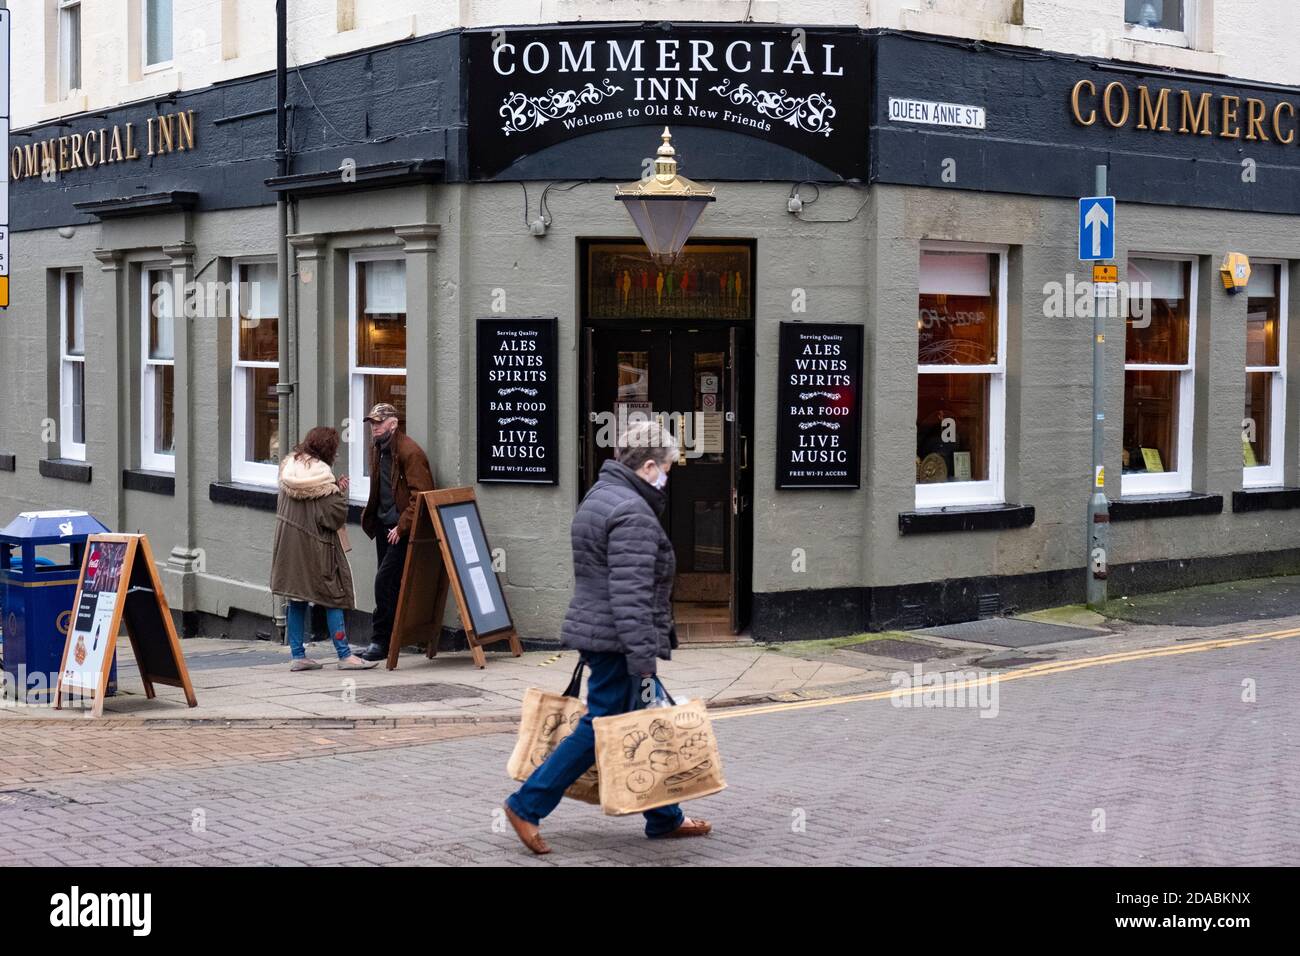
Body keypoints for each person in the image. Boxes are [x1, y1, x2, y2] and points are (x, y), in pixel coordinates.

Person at [504, 420, 711, 854]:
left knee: (641, 723)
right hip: (619, 640)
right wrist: (644, 658)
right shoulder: (633, 512)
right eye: (667, 468)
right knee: (600, 729)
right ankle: (527, 804)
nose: (668, 477)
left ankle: (664, 816)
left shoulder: (601, 496)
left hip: (603, 634)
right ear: (649, 465)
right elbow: (630, 593)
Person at [270, 426, 376, 671]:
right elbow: (332, 517)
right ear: (327, 450)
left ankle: (298, 655)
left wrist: (333, 489)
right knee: (334, 595)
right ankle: (345, 655)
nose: (336, 455)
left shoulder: (290, 468)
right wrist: (339, 492)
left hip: (288, 546)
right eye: (335, 450)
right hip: (316, 547)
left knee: (296, 598)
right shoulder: (322, 477)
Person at [357, 403, 435, 662]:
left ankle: (380, 641)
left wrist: (401, 527)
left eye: (379, 422)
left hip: (400, 529)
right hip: (383, 525)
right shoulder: (378, 449)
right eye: (372, 423)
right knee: (388, 584)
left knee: (384, 581)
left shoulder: (410, 452)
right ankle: (389, 639)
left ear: (394, 423)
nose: (374, 428)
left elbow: (421, 495)